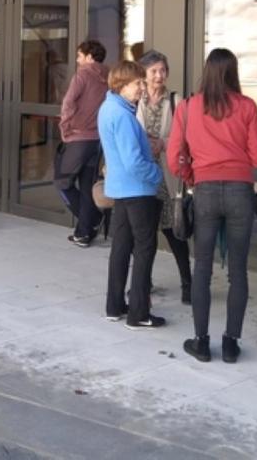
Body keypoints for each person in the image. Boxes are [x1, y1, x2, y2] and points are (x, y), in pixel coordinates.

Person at [168, 48, 257, 362]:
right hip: (240, 192)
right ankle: (230, 343)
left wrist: (192, 175)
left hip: (206, 191)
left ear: (207, 71)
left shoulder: (187, 107)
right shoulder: (248, 106)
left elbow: (174, 159)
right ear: (233, 72)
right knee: (238, 272)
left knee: (202, 269)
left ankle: (200, 341)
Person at [101, 60, 166, 329]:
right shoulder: (123, 116)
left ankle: (115, 305)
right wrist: (157, 174)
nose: (142, 87)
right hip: (137, 191)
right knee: (144, 249)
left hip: (120, 189)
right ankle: (139, 312)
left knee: (121, 248)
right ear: (121, 85)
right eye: (137, 83)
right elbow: (134, 162)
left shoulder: (109, 108)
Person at [135, 50, 191, 305]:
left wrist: (164, 143)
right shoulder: (136, 99)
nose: (159, 75)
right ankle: (142, 284)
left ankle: (187, 284)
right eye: (153, 71)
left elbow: (187, 137)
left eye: (162, 70)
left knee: (173, 233)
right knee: (144, 235)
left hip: (167, 178)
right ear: (144, 74)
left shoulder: (176, 100)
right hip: (142, 178)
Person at [59, 39, 109, 248]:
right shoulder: (107, 76)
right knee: (87, 185)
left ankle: (92, 221)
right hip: (96, 140)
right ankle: (83, 234)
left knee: (61, 182)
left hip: (78, 138)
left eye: (80, 56)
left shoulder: (83, 74)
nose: (78, 61)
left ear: (89, 57)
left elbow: (68, 102)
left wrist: (65, 127)